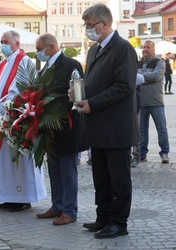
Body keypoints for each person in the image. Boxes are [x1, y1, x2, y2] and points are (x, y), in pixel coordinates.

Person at [75, 3, 137, 238]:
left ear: (105, 23)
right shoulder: (94, 49)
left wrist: (93, 102)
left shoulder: (123, 48)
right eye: (86, 25)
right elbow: (92, 82)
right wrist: (80, 94)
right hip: (97, 126)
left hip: (116, 126)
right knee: (100, 176)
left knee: (119, 178)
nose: (87, 29)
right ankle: (104, 216)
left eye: (90, 25)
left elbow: (124, 87)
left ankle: (119, 222)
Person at [0, 30, 47, 212]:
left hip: (15, 119)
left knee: (16, 160)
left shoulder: (24, 62)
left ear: (17, 44)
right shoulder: (1, 64)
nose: (3, 44)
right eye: (1, 41)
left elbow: (18, 92)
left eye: (6, 41)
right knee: (3, 160)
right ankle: (7, 195)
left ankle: (22, 197)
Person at [34, 34, 83, 225]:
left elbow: (78, 94)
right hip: (49, 127)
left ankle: (70, 211)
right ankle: (57, 206)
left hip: (66, 125)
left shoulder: (71, 64)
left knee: (68, 170)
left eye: (40, 48)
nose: (38, 53)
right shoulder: (45, 66)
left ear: (51, 47)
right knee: (53, 168)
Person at [138, 41, 170, 164]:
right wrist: (147, 77)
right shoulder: (138, 63)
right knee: (142, 130)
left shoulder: (160, 62)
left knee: (161, 129)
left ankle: (164, 153)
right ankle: (142, 153)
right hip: (141, 102)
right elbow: (133, 76)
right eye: (144, 47)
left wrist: (141, 76)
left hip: (156, 102)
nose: (145, 49)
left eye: (148, 47)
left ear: (153, 49)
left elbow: (156, 76)